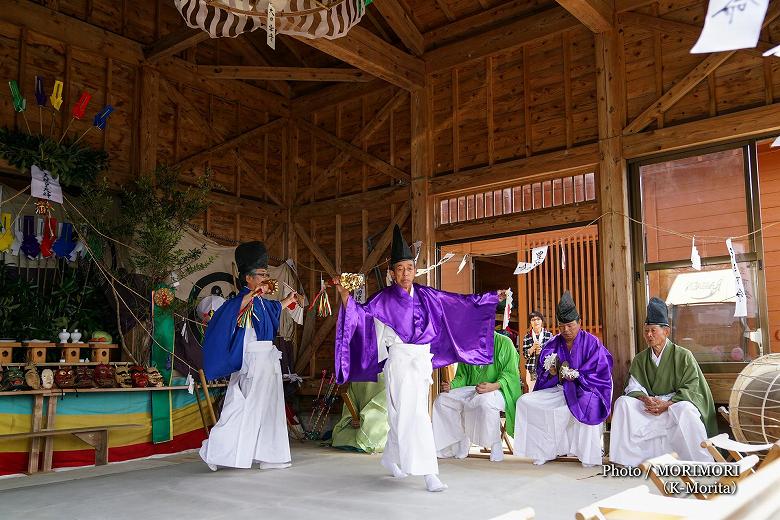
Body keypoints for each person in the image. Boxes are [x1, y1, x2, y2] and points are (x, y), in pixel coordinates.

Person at [334, 225, 506, 492]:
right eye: (399, 269)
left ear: (415, 270)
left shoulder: (426, 295)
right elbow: (361, 318)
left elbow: (459, 303)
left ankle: (392, 459)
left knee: (406, 416)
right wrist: (346, 298)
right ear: (391, 273)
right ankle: (429, 473)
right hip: (401, 364)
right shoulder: (384, 299)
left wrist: (491, 299)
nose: (405, 274)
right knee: (412, 417)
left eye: (409, 268)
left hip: (420, 363)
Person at [199, 241, 301, 471]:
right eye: (261, 274)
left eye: (267, 274)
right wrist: (255, 294)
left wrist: (288, 300)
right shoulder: (241, 301)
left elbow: (275, 310)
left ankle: (271, 455)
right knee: (244, 408)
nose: (266, 278)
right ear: (248, 278)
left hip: (268, 360)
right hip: (252, 362)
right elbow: (235, 310)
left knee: (269, 408)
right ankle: (214, 452)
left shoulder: (263, 303)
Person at [609, 297, 716, 466]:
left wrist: (666, 404)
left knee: (686, 409)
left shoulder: (683, 355)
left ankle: (696, 461)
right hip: (650, 405)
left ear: (666, 331)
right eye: (646, 331)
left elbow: (693, 387)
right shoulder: (640, 359)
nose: (649, 335)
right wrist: (646, 399)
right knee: (623, 403)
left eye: (653, 330)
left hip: (673, 405)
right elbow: (634, 386)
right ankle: (628, 459)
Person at [514, 291, 613, 467]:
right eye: (561, 326)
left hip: (586, 388)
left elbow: (602, 371)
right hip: (559, 390)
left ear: (579, 323)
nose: (566, 330)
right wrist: (551, 372)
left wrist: (578, 376)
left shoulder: (592, 342)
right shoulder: (553, 343)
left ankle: (588, 455)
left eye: (570, 325)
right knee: (525, 401)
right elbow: (542, 373)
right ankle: (544, 450)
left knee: (588, 403)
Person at [432, 331, 522, 462]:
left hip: (499, 390)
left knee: (484, 401)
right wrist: (451, 385)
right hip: (473, 388)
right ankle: (459, 441)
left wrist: (493, 386)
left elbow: (510, 374)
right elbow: (462, 376)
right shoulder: (468, 344)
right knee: (442, 400)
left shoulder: (504, 342)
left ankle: (495, 443)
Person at [331, 375, 389, 454]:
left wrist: (364, 422)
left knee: (371, 438)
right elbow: (350, 401)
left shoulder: (387, 377)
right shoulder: (357, 379)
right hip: (357, 425)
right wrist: (352, 419)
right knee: (341, 437)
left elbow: (382, 408)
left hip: (377, 426)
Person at [521, 310, 552, 389]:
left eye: (538, 319)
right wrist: (532, 348)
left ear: (542, 321)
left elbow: (552, 353)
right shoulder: (527, 337)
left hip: (546, 369)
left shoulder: (549, 335)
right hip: (532, 369)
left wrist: (542, 351)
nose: (536, 321)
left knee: (545, 391)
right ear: (530, 323)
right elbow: (525, 355)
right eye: (533, 320)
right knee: (532, 390)